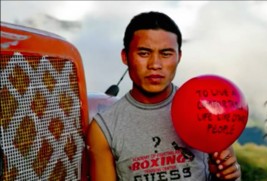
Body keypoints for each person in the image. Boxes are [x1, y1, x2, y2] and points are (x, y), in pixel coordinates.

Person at [87, 11, 241, 181]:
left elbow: (226, 166)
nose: (155, 64)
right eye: (144, 53)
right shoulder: (105, 128)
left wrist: (228, 173)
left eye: (166, 54)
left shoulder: (206, 107)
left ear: (179, 57)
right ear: (125, 57)